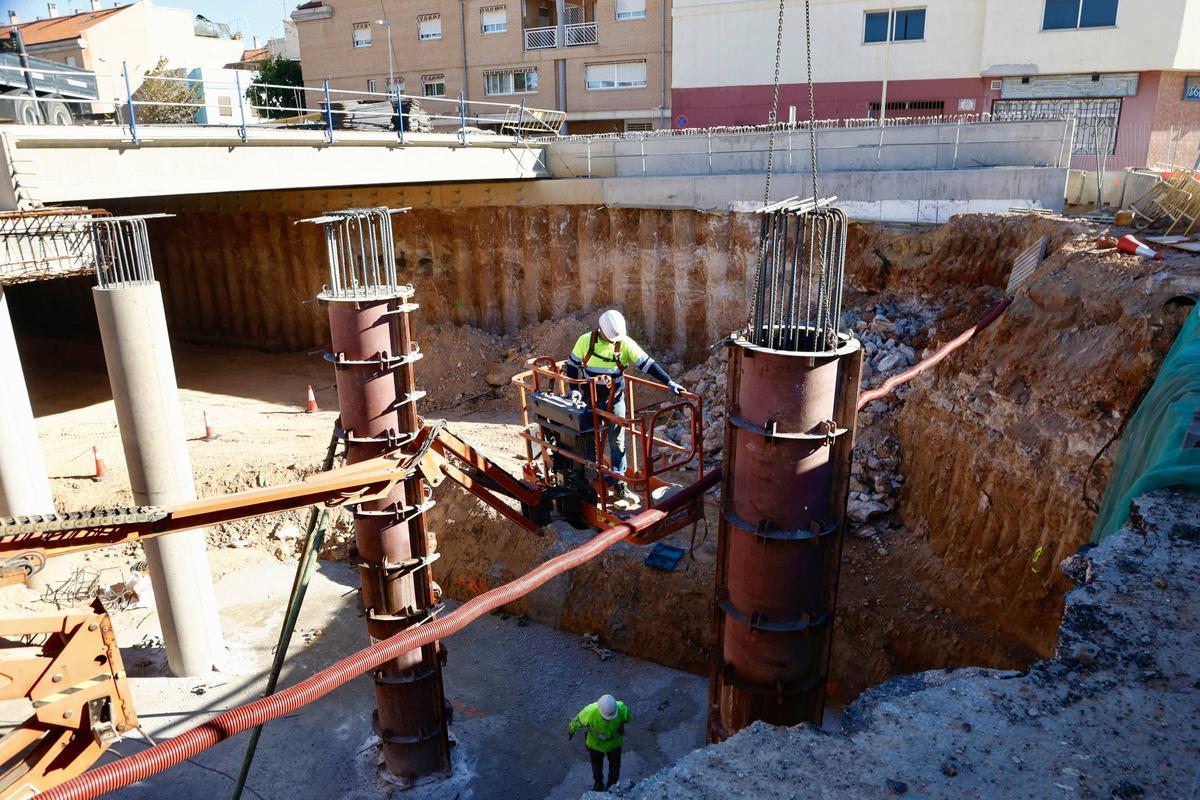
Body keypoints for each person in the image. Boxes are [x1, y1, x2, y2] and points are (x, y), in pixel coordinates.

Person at [564, 310, 685, 505]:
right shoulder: (585, 341)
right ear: (601, 330)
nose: (613, 340)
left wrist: (669, 382)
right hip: (588, 399)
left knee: (617, 442)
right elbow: (572, 366)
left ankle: (619, 485)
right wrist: (574, 389)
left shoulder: (625, 343)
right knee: (586, 438)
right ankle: (588, 478)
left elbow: (647, 364)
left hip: (615, 399)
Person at [568, 693, 632, 792]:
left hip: (599, 744)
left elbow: (576, 722)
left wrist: (571, 731)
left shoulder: (621, 708)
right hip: (607, 743)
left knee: (606, 766)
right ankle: (601, 783)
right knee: (600, 766)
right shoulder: (589, 712)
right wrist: (571, 730)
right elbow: (576, 722)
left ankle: (610, 784)